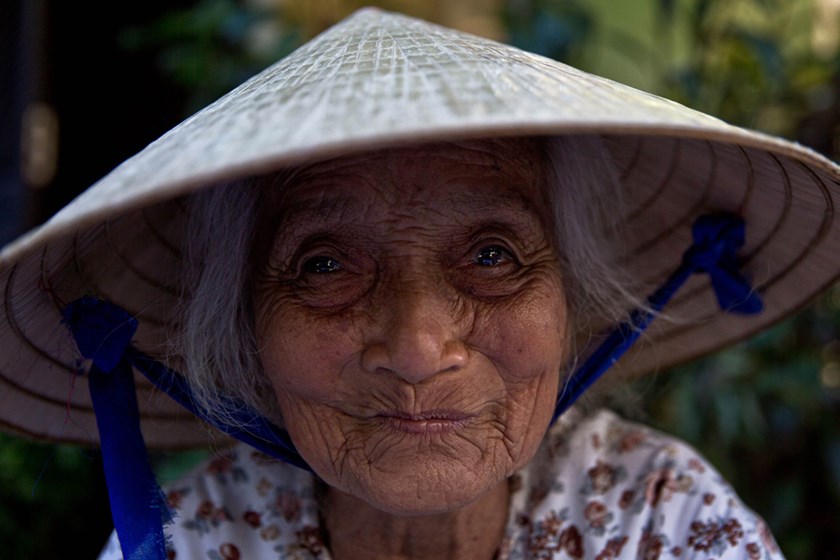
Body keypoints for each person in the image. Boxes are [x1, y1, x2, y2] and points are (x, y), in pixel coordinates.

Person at [1, 8, 837, 560]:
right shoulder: (198, 541)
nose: (415, 349)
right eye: (323, 266)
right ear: (247, 327)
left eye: (493, 256)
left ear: (571, 307)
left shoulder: (661, 520)